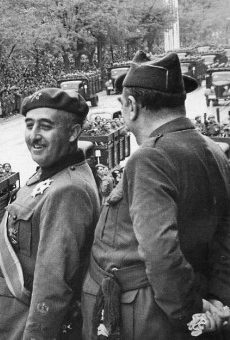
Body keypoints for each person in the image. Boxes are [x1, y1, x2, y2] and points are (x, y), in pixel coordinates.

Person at [81, 51, 230, 339]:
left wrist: (192, 310)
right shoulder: (214, 149)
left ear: (132, 106)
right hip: (190, 299)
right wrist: (216, 298)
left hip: (145, 313)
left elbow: (160, 249)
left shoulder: (150, 157)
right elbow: (225, 236)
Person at [0, 88, 101, 339]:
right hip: (6, 324)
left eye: (45, 126)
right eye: (29, 125)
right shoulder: (50, 174)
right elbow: (31, 252)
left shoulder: (69, 190)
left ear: (73, 132)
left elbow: (53, 287)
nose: (34, 136)